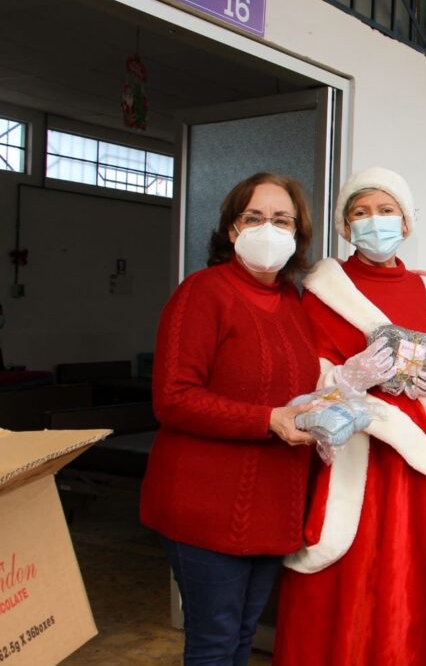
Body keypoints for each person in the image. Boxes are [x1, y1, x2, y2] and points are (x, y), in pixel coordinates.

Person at [272, 167, 426, 665]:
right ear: (344, 227)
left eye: (386, 211)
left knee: (405, 577)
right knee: (342, 569)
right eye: (360, 213)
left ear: (405, 222)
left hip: (417, 460)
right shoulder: (320, 286)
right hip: (352, 449)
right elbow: (298, 372)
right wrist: (344, 377)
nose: (374, 222)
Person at [140, 172, 320, 666]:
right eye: (254, 218)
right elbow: (173, 398)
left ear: (298, 233)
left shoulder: (295, 302)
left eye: (282, 220)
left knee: (242, 636)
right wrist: (267, 419)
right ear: (232, 230)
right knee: (215, 643)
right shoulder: (202, 292)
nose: (269, 228)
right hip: (205, 504)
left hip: (274, 505)